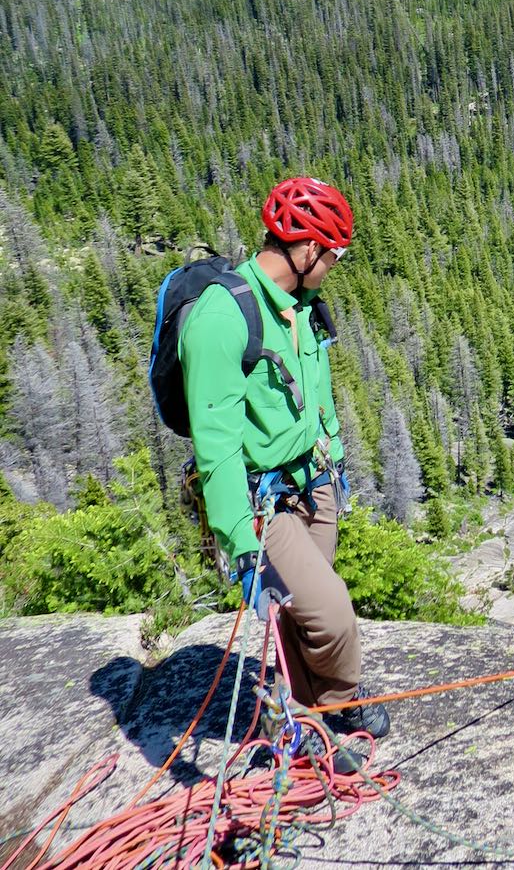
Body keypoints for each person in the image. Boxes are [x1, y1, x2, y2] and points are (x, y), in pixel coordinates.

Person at [179, 177, 390, 758]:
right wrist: (239, 543)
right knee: (332, 615)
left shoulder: (302, 308)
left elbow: (318, 394)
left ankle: (308, 716)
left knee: (302, 615)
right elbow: (216, 444)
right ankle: (336, 704)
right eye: (335, 255)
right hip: (260, 502)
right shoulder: (224, 318)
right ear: (309, 249)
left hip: (311, 483)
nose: (336, 266)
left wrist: (335, 459)